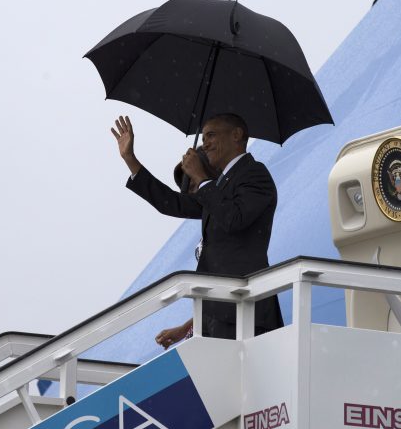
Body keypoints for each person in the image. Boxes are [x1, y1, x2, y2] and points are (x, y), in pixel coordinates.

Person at [110, 114, 284, 349]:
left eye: (211, 135)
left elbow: (234, 218)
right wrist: (131, 159)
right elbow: (172, 203)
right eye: (203, 138)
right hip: (219, 312)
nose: (205, 144)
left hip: (246, 310)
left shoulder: (254, 173)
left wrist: (202, 179)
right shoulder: (221, 185)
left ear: (236, 135)